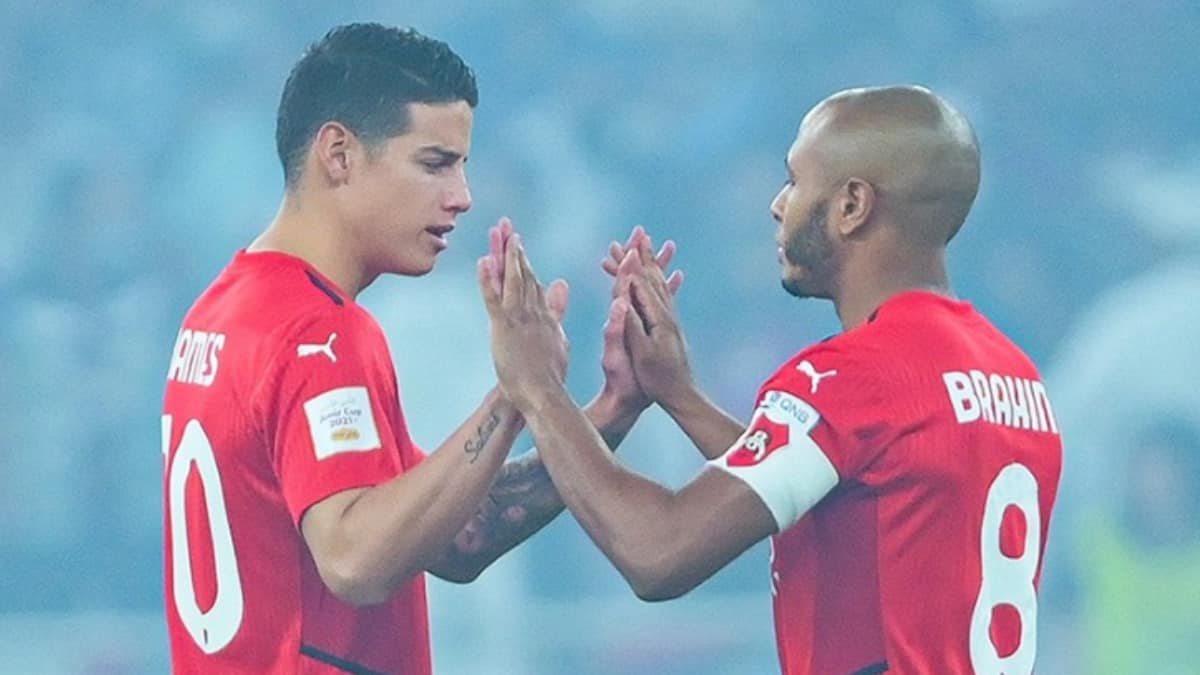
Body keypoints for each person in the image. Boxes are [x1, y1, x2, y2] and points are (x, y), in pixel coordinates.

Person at [480, 85, 1063, 674]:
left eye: (794, 180)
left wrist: (538, 388)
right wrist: (678, 394)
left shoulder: (851, 374)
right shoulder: (1011, 373)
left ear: (851, 205)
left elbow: (656, 551)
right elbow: (836, 501)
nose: (778, 205)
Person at [160, 23, 675, 674]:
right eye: (435, 163)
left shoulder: (221, 312)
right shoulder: (319, 333)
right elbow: (356, 559)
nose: (462, 196)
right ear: (339, 154)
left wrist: (608, 410)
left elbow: (457, 534)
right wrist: (515, 392)